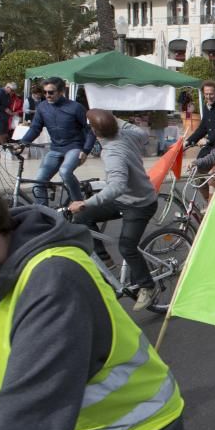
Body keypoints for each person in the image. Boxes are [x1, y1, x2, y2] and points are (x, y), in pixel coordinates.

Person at [0, 185, 184, 430]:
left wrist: (88, 203)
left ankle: (144, 283)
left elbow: (26, 425)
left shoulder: (51, 282)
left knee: (126, 246)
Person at [67, 110, 160, 310]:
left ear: (95, 131)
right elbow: (140, 132)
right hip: (123, 199)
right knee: (82, 218)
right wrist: (110, 117)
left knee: (127, 247)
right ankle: (104, 258)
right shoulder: (127, 133)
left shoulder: (112, 153)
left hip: (139, 204)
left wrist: (86, 202)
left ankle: (148, 286)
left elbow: (117, 186)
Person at [17, 77, 95, 206]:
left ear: (61, 92)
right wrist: (22, 143)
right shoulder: (42, 107)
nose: (47, 95)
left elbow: (90, 130)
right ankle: (43, 213)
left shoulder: (75, 107)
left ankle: (79, 204)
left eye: (51, 92)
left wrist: (86, 150)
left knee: (64, 172)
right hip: (55, 149)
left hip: (74, 147)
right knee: (39, 182)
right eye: (45, 92)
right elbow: (35, 128)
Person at [185, 81, 215, 204]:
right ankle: (210, 202)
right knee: (196, 172)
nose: (208, 97)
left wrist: (208, 139)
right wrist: (188, 141)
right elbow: (203, 127)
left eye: (211, 94)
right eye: (206, 94)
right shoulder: (206, 106)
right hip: (210, 148)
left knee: (213, 176)